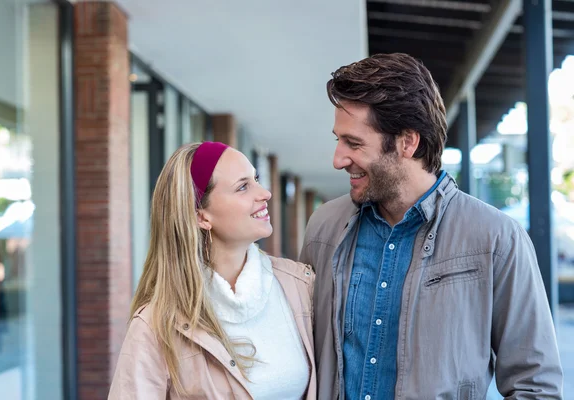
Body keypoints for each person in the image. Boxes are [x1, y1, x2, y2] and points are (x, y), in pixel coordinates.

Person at [300, 53, 563, 400]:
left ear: (408, 142)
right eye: (338, 139)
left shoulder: (496, 239)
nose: (338, 159)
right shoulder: (323, 228)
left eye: (354, 143)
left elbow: (535, 385)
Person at [108, 142, 316, 399]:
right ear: (202, 216)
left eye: (256, 179)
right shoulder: (156, 325)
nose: (265, 193)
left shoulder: (300, 286)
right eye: (243, 186)